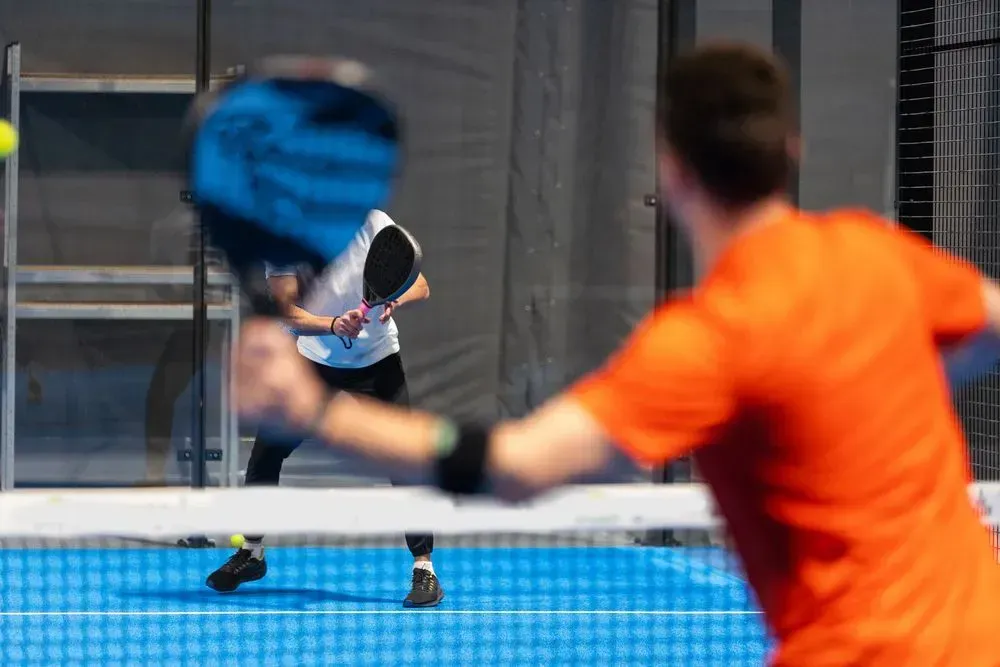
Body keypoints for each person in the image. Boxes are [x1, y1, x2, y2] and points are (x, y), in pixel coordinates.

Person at [230, 43, 1000, 664]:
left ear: (671, 170)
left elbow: (520, 463)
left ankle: (418, 561)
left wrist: (313, 412)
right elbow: (987, 327)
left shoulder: (704, 342)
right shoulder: (883, 256)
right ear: (790, 149)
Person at [206, 209, 442, 609]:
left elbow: (420, 284)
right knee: (266, 454)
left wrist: (393, 301)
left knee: (404, 460)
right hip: (313, 364)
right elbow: (288, 312)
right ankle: (252, 553)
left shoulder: (374, 223)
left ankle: (425, 568)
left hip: (378, 362)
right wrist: (333, 325)